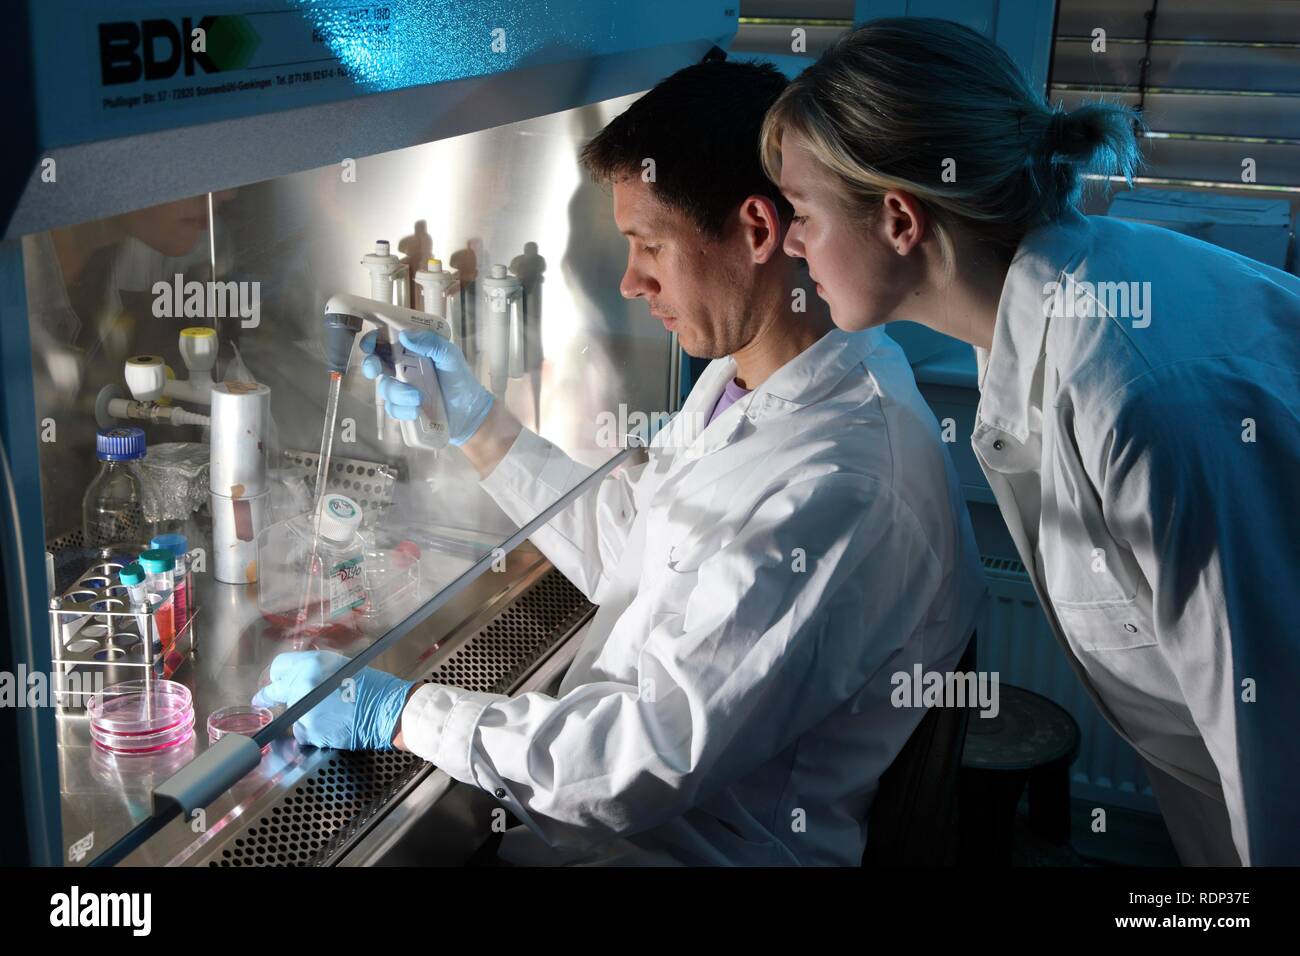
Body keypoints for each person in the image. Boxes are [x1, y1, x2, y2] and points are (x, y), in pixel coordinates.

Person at [255, 59, 986, 866]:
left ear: (755, 230)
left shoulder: (843, 481)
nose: (632, 281)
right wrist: (476, 423)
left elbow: (639, 758)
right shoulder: (749, 380)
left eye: (650, 246)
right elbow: (641, 547)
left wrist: (396, 714)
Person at [759, 17, 1300, 866]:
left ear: (899, 218)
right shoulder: (1041, 322)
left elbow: (1279, 758)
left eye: (800, 212)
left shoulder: (1138, 398)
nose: (788, 244)